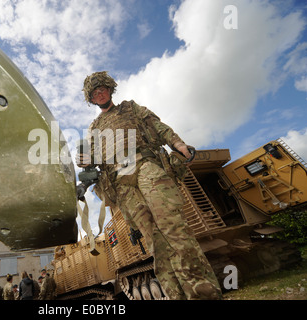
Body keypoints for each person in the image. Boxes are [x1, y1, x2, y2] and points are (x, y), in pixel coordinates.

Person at [78, 71, 222, 300]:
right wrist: (84, 162)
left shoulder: (130, 108)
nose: (100, 93)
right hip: (121, 183)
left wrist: (179, 144)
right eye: (95, 93)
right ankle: (176, 296)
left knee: (174, 229)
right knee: (155, 242)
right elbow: (91, 160)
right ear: (92, 99)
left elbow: (158, 126)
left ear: (110, 89)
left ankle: (204, 294)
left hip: (145, 164)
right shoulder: (94, 128)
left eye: (103, 88)